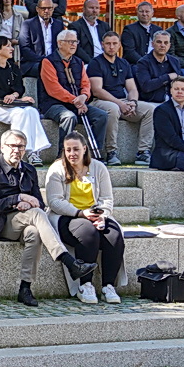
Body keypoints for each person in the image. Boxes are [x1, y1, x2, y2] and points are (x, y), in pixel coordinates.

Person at [0, 131, 93, 306]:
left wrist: (28, 204)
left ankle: (25, 288)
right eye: (12, 146)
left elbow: (39, 203)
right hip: (0, 223)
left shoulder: (29, 170)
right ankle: (69, 262)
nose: (16, 150)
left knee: (34, 233)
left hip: (26, 220)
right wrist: (18, 199)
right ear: (2, 147)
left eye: (21, 146)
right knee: (37, 214)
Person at [43, 130, 124, 304]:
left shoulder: (98, 168)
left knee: (114, 234)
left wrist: (102, 215)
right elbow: (54, 201)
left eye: (76, 149)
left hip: (95, 214)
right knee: (88, 232)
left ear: (85, 149)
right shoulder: (57, 169)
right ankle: (85, 284)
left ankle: (108, 285)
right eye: (68, 150)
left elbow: (107, 198)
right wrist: (81, 213)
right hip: (67, 217)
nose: (72, 154)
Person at [0, 36, 50, 164]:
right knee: (20, 113)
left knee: (32, 111)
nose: (12, 49)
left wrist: (15, 96)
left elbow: (19, 87)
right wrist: (8, 96)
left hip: (11, 104)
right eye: (8, 46)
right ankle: (16, 149)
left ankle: (34, 152)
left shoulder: (13, 67)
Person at [41, 29, 109, 157]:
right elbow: (53, 89)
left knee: (101, 116)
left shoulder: (79, 62)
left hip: (77, 103)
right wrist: (76, 101)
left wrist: (84, 96)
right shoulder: (48, 62)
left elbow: (85, 84)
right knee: (68, 117)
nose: (73, 45)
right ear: (60, 43)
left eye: (75, 42)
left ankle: (94, 154)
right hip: (53, 104)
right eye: (70, 41)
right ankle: (63, 155)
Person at [90, 33, 153, 166]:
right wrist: (119, 104)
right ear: (102, 45)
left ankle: (143, 152)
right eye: (108, 44)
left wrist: (133, 103)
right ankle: (111, 152)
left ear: (119, 45)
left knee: (150, 110)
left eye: (114, 44)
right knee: (113, 109)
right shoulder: (95, 63)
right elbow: (97, 90)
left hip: (122, 101)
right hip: (99, 101)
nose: (111, 47)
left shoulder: (123, 63)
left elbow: (132, 89)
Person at [18, 0, 65, 82]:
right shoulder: (28, 24)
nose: (46, 11)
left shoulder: (58, 25)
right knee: (47, 69)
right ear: (37, 9)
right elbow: (24, 49)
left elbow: (61, 46)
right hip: (33, 63)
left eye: (49, 8)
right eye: (43, 8)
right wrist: (45, 60)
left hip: (55, 61)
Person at [133, 28, 182, 105]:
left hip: (173, 101)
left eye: (166, 43)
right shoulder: (143, 62)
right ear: (153, 44)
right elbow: (146, 86)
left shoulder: (174, 61)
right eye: (159, 42)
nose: (162, 45)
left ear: (169, 45)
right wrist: (168, 77)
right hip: (151, 102)